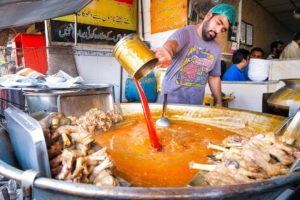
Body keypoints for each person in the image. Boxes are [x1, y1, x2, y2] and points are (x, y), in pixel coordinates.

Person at [155, 3, 236, 106]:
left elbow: (214, 77)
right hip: (169, 105)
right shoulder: (186, 33)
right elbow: (172, 45)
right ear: (208, 16)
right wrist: (167, 52)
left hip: (195, 106)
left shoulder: (216, 49)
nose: (218, 31)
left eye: (223, 30)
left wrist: (218, 102)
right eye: (218, 23)